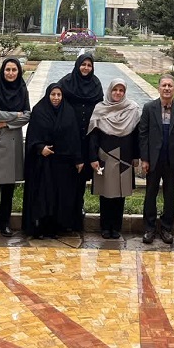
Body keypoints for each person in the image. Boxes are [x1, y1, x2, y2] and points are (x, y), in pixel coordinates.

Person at [22, 83, 85, 238]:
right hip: (43, 164)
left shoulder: (68, 112)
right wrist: (40, 148)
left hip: (62, 164)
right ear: (48, 95)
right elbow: (32, 137)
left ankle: (56, 227)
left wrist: (78, 158)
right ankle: (40, 228)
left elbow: (74, 137)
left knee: (59, 196)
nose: (56, 98)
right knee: (44, 196)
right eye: (53, 94)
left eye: (59, 95)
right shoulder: (39, 111)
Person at [138, 74, 174, 244]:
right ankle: (149, 228)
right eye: (164, 85)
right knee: (150, 193)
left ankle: (167, 228)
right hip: (154, 159)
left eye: (170, 86)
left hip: (172, 160)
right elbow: (143, 134)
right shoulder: (149, 107)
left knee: (170, 194)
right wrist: (145, 159)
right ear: (159, 88)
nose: (167, 88)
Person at [0, 58, 31, 237]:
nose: (10, 73)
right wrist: (15, 115)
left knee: (9, 186)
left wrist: (7, 123)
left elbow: (27, 115)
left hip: (13, 140)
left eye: (14, 70)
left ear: (19, 72)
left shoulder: (22, 89)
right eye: (7, 70)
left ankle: (5, 223)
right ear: (3, 71)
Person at [87, 78, 141, 239]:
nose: (118, 93)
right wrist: (93, 157)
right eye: (115, 90)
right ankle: (105, 227)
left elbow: (136, 135)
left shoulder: (132, 109)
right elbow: (93, 136)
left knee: (120, 194)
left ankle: (116, 227)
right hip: (105, 156)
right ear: (110, 91)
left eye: (121, 90)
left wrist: (136, 156)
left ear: (125, 92)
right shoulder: (100, 109)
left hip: (125, 157)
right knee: (105, 194)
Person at [58, 52, 104, 227]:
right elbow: (56, 101)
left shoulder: (96, 84)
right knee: (67, 177)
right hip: (68, 138)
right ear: (77, 65)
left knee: (81, 178)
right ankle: (64, 216)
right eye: (83, 64)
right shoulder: (66, 83)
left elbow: (100, 109)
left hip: (87, 139)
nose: (86, 68)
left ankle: (78, 213)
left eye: (89, 65)